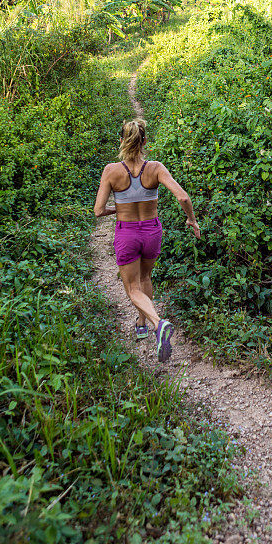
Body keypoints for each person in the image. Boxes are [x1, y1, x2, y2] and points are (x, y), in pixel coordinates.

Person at [94, 118, 200, 362]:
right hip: (151, 231)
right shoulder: (155, 168)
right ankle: (141, 322)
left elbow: (98, 211)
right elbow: (183, 198)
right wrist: (192, 220)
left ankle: (157, 323)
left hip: (127, 233)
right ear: (144, 141)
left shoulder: (111, 171)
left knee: (132, 288)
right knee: (145, 277)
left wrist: (118, 209)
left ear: (121, 141)